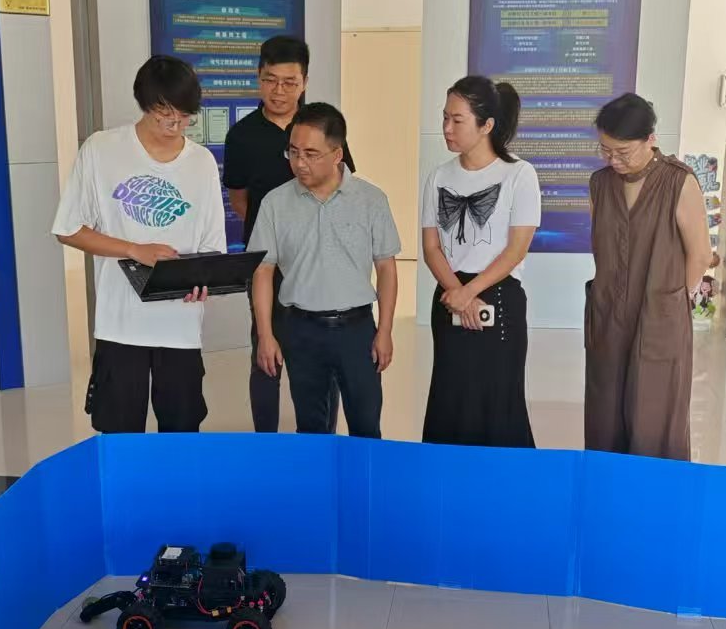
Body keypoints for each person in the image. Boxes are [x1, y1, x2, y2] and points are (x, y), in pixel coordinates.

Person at [53, 55, 226, 434]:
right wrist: (134, 250)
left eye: (184, 117)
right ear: (145, 104)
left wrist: (204, 281)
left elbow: (213, 247)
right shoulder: (101, 150)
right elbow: (68, 229)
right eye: (165, 115)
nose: (175, 126)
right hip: (120, 325)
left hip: (180, 326)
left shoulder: (201, 163)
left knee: (181, 433)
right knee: (119, 434)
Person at [222, 36, 353, 433]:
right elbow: (241, 200)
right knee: (266, 350)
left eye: (289, 82)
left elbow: (344, 186)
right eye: (270, 80)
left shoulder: (323, 128)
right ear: (258, 78)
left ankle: (320, 439)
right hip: (268, 263)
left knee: (323, 353)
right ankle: (267, 442)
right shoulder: (241, 135)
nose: (278, 91)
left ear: (305, 82)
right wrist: (277, 235)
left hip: (321, 261)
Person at [248, 104, 399, 438]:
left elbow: (386, 267)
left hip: (357, 330)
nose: (299, 163)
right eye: (293, 152)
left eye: (311, 154)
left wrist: (385, 329)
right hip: (301, 330)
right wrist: (266, 335)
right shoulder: (275, 203)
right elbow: (263, 271)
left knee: (365, 427)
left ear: (337, 154)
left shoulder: (371, 199)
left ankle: (361, 475)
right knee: (311, 430)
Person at [583, 93, 712, 460]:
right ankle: (609, 487)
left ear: (650, 139)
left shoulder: (678, 182)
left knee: (654, 414)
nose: (613, 160)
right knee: (605, 413)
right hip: (609, 311)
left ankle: (655, 491)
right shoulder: (600, 184)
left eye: (623, 152)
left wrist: (673, 301)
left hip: (660, 314)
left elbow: (700, 254)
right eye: (606, 150)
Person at [420, 76, 541, 448]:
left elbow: (516, 249)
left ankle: (505, 479)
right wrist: (457, 293)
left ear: (486, 125)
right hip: (449, 295)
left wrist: (470, 292)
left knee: (497, 396)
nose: (447, 128)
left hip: (498, 295)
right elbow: (431, 247)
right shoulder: (439, 176)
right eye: (445, 117)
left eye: (457, 120)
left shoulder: (519, 174)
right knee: (451, 393)